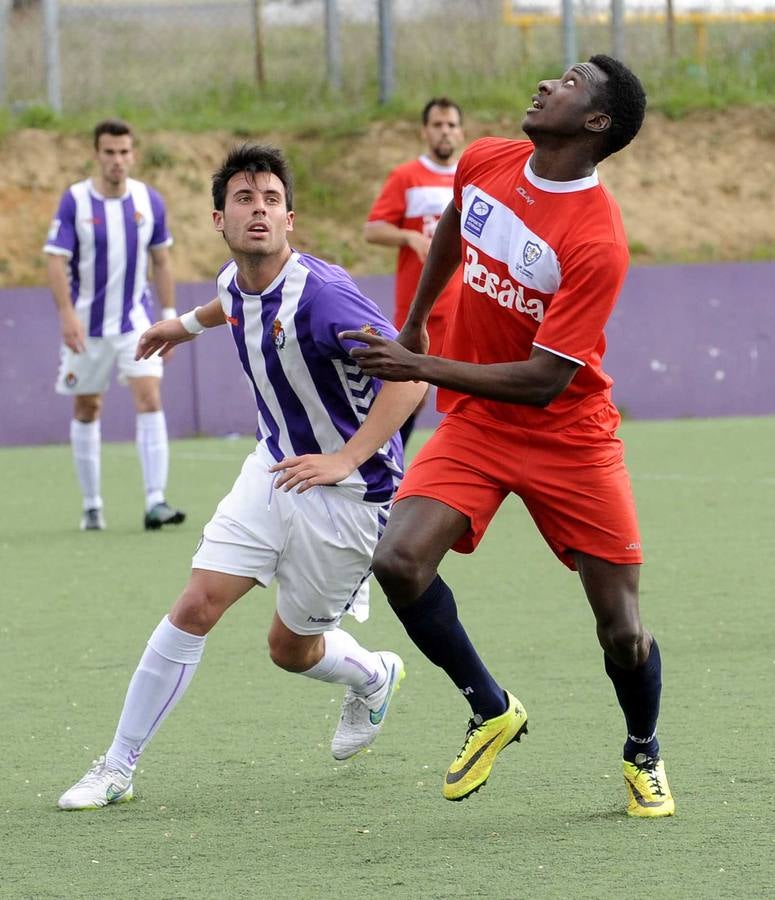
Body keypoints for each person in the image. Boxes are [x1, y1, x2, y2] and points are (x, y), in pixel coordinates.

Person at [341, 56, 675, 817]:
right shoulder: (488, 157)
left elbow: (543, 380)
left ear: (595, 123)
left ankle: (641, 751)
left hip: (570, 435)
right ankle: (490, 706)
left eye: (569, 82)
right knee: (397, 560)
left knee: (621, 632)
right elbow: (457, 225)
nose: (547, 84)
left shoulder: (597, 241)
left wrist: (420, 361)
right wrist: (421, 314)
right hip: (481, 422)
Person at [57, 144, 426, 810]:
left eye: (271, 201)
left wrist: (345, 458)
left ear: (290, 220)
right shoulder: (237, 282)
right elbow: (227, 305)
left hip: (347, 498)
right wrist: (179, 325)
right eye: (244, 200)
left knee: (289, 648)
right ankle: (117, 766)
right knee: (196, 604)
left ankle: (373, 675)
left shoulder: (323, 297)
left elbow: (407, 374)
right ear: (219, 220)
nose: (259, 210)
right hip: (272, 470)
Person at [44, 118, 185, 531]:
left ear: (133, 154)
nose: (117, 160)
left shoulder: (149, 201)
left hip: (134, 324)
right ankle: (92, 505)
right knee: (88, 407)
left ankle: (156, 500)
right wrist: (67, 313)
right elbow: (55, 259)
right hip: (86, 327)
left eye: (124, 152)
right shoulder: (74, 202)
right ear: (96, 154)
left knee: (150, 398)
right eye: (109, 152)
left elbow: (162, 260)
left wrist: (169, 317)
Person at [364, 97, 464, 447]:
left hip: (465, 311)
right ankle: (383, 464)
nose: (445, 131)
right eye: (438, 125)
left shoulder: (473, 177)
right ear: (425, 131)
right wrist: (407, 235)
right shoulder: (407, 176)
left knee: (474, 395)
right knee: (410, 394)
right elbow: (372, 229)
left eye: (451, 124)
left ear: (461, 131)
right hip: (419, 311)